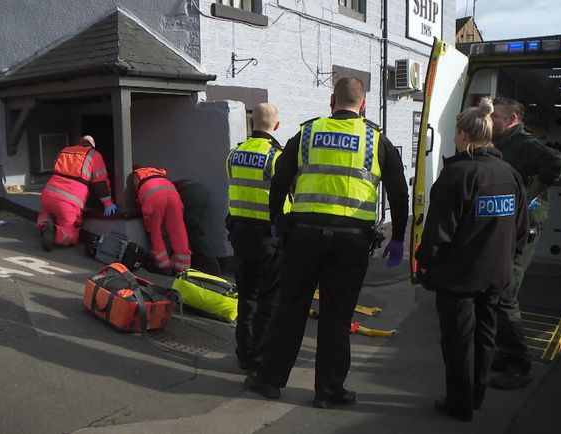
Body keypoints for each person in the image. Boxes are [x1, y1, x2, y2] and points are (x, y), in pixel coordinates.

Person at [244, 77, 409, 408]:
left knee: (290, 308)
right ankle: (328, 391)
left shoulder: (306, 133)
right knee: (337, 315)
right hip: (351, 241)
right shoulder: (376, 140)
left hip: (303, 236)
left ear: (331, 100)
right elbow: (398, 191)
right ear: (362, 105)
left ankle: (269, 380)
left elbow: (279, 180)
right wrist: (399, 237)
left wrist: (277, 220)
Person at [416, 98, 528, 422]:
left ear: (464, 134)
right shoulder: (510, 174)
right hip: (495, 274)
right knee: (485, 336)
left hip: (459, 277)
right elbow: (521, 230)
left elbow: (438, 233)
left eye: (455, 131)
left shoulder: (456, 175)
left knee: (458, 341)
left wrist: (424, 265)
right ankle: (476, 396)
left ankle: (459, 402)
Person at [489, 97, 561, 390]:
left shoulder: (524, 143)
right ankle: (505, 353)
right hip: (508, 225)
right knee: (496, 289)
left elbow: (556, 163)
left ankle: (520, 364)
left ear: (512, 120)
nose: (491, 119)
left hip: (525, 227)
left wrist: (529, 196)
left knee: (507, 293)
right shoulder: (503, 145)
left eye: (495, 116)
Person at [225, 102, 288, 371]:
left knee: (246, 297)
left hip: (240, 236)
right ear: (276, 125)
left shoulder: (234, 154)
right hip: (269, 238)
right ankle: (260, 357)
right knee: (268, 300)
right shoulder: (278, 157)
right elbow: (287, 199)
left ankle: (244, 353)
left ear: (252, 123)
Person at [37, 135, 117, 251]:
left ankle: (44, 226)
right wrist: (108, 203)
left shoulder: (65, 151)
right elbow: (100, 183)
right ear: (92, 146)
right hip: (68, 202)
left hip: (48, 195)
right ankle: (54, 232)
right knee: (70, 235)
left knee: (46, 213)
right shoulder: (94, 155)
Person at [132, 166, 191, 275]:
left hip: (153, 198)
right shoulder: (156, 172)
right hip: (173, 194)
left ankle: (164, 267)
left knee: (155, 233)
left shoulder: (135, 176)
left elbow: (136, 199)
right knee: (178, 230)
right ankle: (182, 268)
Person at [173, 179, 221, 275]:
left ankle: (211, 266)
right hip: (198, 191)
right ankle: (205, 262)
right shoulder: (163, 182)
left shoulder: (158, 188)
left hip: (190, 195)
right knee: (195, 232)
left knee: (194, 233)